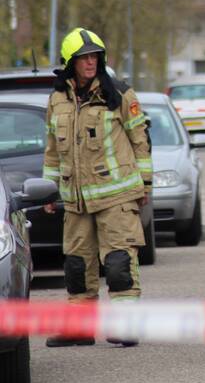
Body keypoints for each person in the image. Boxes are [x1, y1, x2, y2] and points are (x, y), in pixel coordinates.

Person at [42, 28, 152, 348]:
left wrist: (145, 185)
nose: (90, 63)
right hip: (76, 199)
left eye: (95, 56)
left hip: (116, 196)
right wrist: (50, 189)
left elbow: (140, 142)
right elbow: (52, 148)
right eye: (83, 58)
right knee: (77, 265)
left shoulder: (118, 94)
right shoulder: (57, 99)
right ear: (69, 62)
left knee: (118, 263)